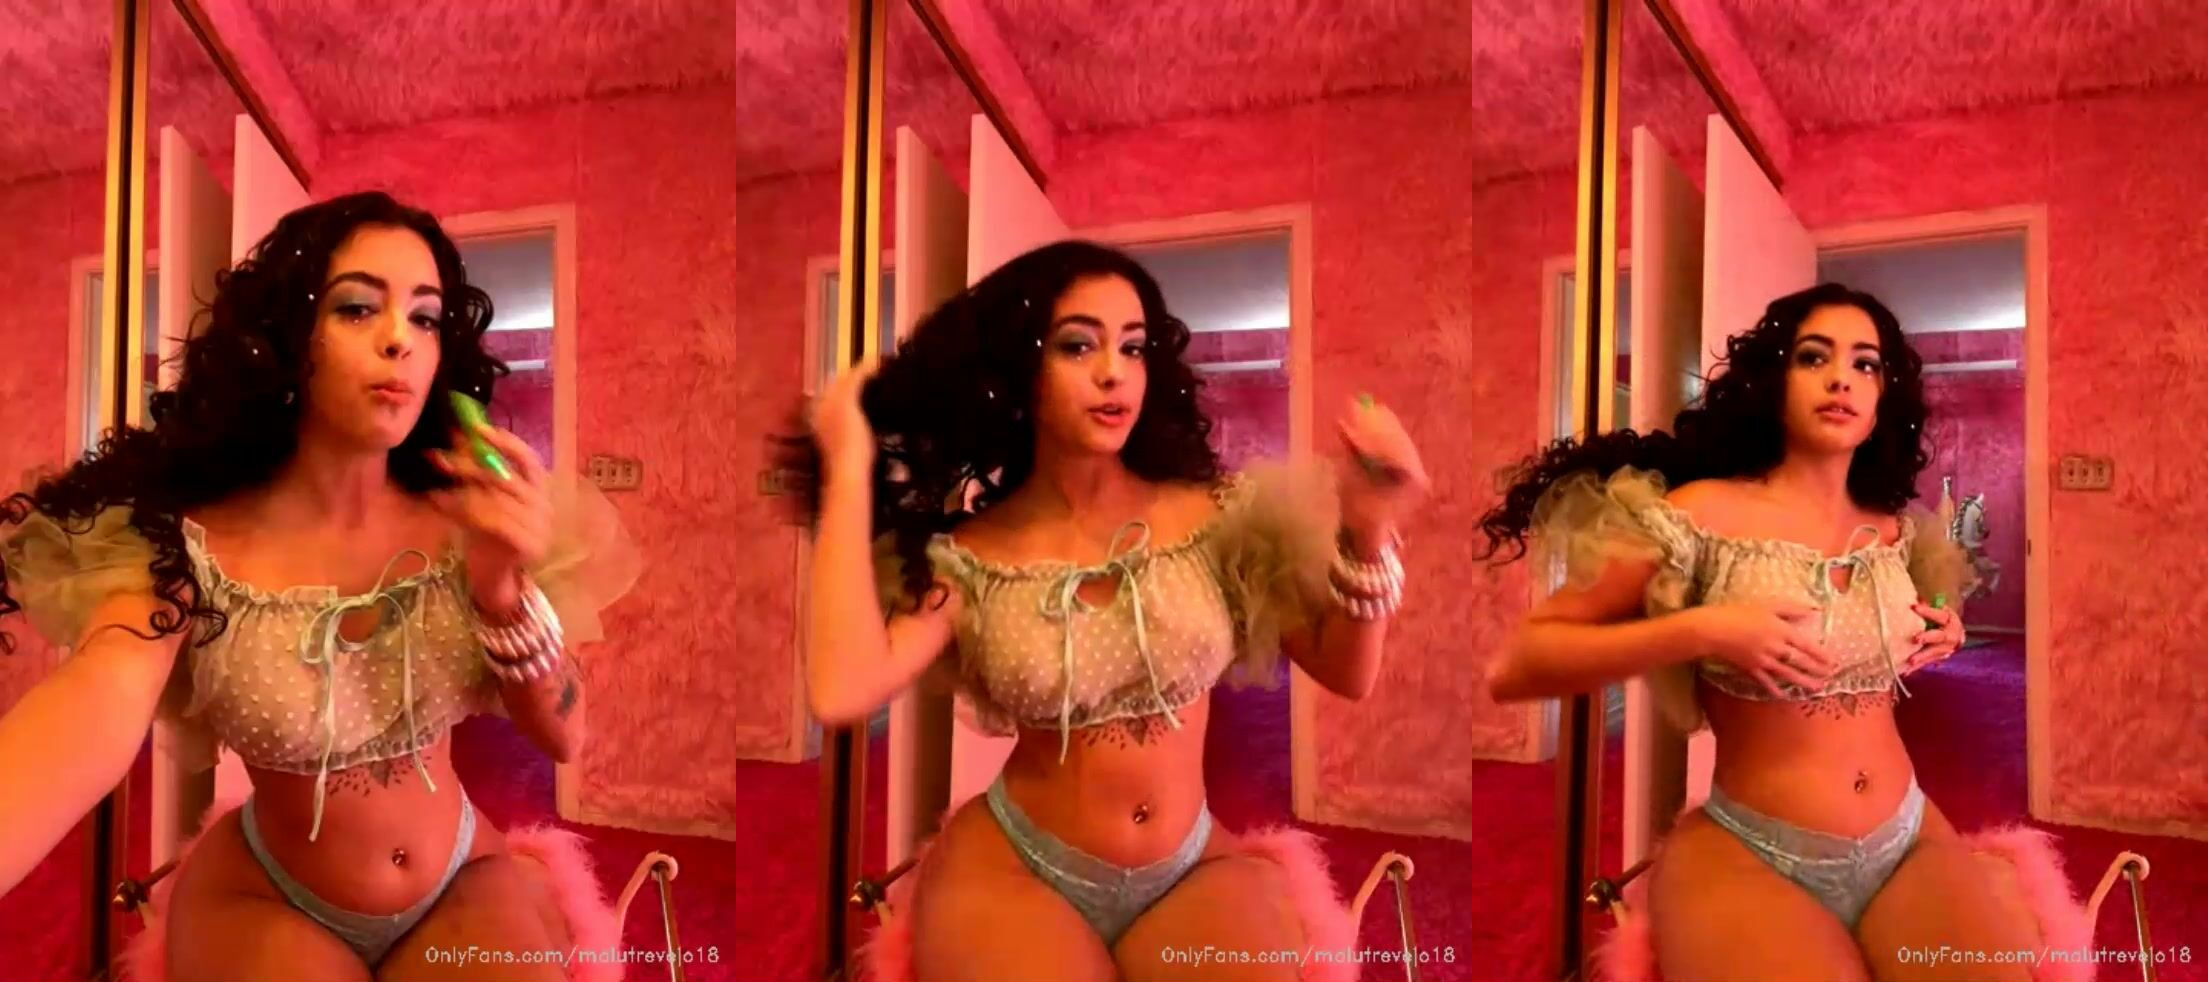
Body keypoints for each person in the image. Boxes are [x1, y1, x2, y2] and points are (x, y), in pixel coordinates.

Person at [0, 191, 637, 980]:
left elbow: (566, 739)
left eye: (426, 317)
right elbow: (97, 697)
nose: (400, 338)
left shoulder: (470, 521)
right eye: (358, 308)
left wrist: (500, 586)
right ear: (284, 337)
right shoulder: (183, 543)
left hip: (462, 876)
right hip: (267, 896)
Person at [782, 241, 1429, 982]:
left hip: (1191, 868)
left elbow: (1347, 672)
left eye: (1133, 346)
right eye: (1078, 345)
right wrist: (848, 469)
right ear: (1021, 370)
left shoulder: (1220, 518)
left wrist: (1370, 524)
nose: (1114, 371)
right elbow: (841, 688)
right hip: (1016, 868)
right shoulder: (970, 557)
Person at [1478, 283, 2038, 981]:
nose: (1841, 378)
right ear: (1776, 380)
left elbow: (1926, 601)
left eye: (1865, 364)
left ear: (1883, 396)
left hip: (1907, 837)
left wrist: (1943, 626)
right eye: (1814, 357)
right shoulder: (1698, 515)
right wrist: (1702, 629)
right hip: (1751, 850)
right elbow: (1517, 665)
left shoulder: (1894, 528)